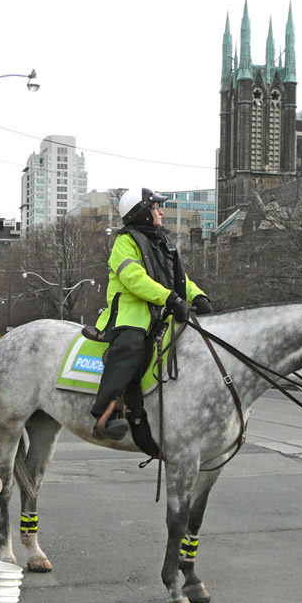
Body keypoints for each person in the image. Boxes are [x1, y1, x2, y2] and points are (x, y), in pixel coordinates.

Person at [90, 188, 212, 440]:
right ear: (143, 213)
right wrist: (169, 298)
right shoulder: (124, 242)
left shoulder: (162, 242)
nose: (161, 211)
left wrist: (197, 296)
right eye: (156, 207)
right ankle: (106, 414)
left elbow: (179, 279)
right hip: (129, 315)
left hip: (159, 313)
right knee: (131, 346)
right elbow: (135, 280)